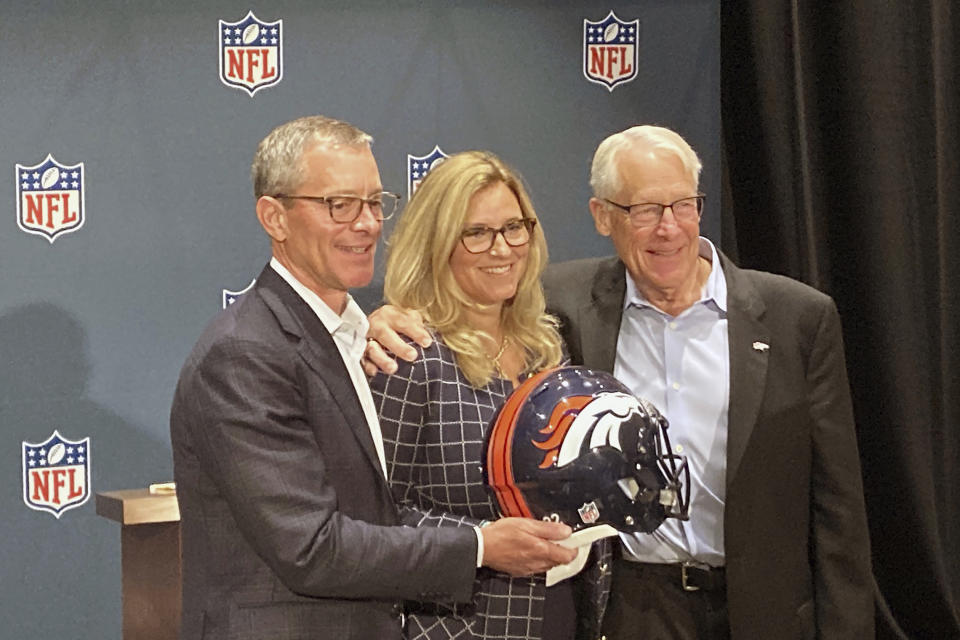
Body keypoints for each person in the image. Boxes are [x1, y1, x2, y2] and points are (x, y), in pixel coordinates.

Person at [365, 125, 874, 639]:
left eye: (682, 205)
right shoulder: (563, 309)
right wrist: (376, 322)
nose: (668, 228)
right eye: (644, 210)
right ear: (602, 216)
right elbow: (373, 515)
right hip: (623, 610)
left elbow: (839, 510)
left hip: (762, 612)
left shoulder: (798, 319)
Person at [169, 116, 576, 640]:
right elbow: (311, 548)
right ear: (275, 217)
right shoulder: (245, 352)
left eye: (374, 202)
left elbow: (373, 512)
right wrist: (481, 546)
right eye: (339, 205)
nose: (365, 224)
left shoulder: (360, 337)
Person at [369, 150, 610, 640]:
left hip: (565, 614)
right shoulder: (409, 356)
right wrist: (479, 543)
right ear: (436, 245)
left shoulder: (551, 346)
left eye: (514, 227)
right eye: (476, 233)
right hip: (455, 626)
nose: (502, 248)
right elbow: (372, 519)